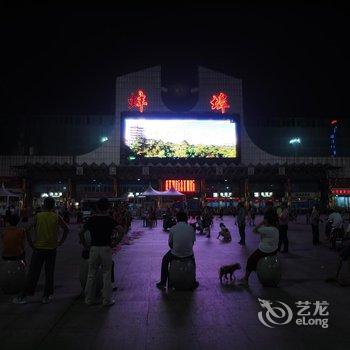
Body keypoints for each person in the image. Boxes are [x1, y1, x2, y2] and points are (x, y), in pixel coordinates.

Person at [13, 197, 69, 304]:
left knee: (33, 273)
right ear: (53, 206)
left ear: (43, 205)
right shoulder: (56, 217)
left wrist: (31, 243)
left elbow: (27, 229)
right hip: (52, 249)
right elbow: (66, 229)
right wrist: (60, 242)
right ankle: (46, 296)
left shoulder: (38, 216)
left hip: (38, 249)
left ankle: (24, 296)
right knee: (49, 273)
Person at [79, 197, 120, 306]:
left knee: (91, 274)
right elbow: (121, 230)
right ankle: (107, 300)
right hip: (106, 248)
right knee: (106, 274)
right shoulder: (109, 219)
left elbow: (81, 233)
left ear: (97, 207)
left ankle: (88, 299)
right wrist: (115, 242)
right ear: (108, 207)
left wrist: (85, 245)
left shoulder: (91, 219)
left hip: (93, 249)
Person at [156, 211, 198, 289]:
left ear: (177, 219)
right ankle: (194, 281)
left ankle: (163, 282)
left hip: (175, 254)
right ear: (186, 219)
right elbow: (192, 243)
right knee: (193, 261)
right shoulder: (191, 228)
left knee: (165, 260)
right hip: (188, 254)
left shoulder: (173, 228)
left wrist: (176, 249)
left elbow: (170, 244)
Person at [238, 209, 279, 286]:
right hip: (274, 250)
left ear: (266, 220)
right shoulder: (276, 229)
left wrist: (261, 223)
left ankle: (246, 279)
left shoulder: (266, 229)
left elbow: (254, 230)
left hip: (264, 250)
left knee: (250, 260)